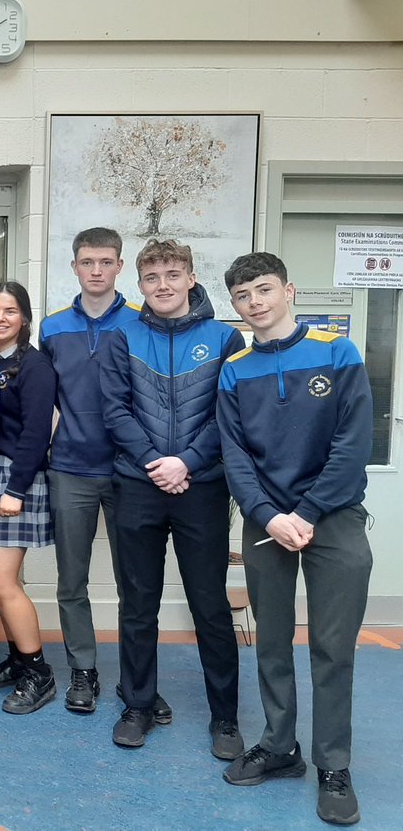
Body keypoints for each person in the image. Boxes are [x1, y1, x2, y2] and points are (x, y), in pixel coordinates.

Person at [217, 253, 373, 827]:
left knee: (333, 648)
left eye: (263, 290)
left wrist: (305, 512)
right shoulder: (234, 369)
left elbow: (354, 443)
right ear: (234, 306)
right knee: (273, 642)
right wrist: (268, 514)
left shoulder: (338, 352)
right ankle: (281, 747)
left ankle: (335, 766)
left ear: (289, 290)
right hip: (266, 524)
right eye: (242, 296)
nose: (254, 302)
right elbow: (234, 456)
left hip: (333, 519)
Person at [100, 238, 244, 756]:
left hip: (201, 487)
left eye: (172, 274)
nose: (162, 285)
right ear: (139, 285)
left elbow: (226, 417)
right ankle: (138, 705)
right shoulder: (122, 337)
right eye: (152, 277)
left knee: (209, 606)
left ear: (190, 278)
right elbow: (115, 411)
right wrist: (157, 464)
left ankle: (225, 718)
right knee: (138, 604)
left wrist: (187, 462)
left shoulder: (225, 339)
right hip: (138, 485)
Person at [39, 226, 145, 715]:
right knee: (71, 582)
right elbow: (40, 400)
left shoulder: (144, 322)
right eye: (87, 262)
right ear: (75, 266)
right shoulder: (53, 327)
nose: (96, 271)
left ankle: (137, 681)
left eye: (106, 262)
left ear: (120, 266)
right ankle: (83, 671)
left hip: (131, 472)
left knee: (134, 584)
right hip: (71, 469)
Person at [0, 282, 58, 714]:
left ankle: (39, 673)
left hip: (14, 479)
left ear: (24, 317)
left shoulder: (35, 365)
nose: (1, 317)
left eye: (10, 310)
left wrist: (15, 489)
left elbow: (36, 432)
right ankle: (17, 658)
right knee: (8, 581)